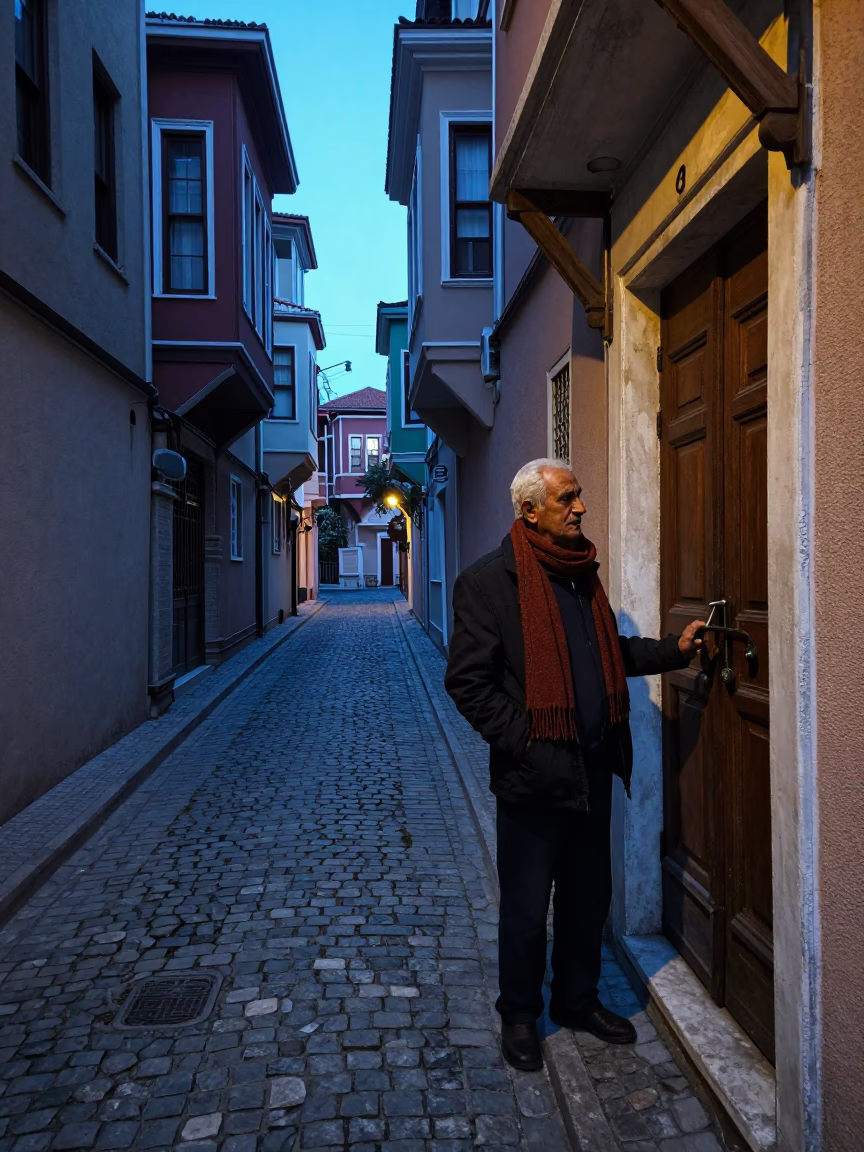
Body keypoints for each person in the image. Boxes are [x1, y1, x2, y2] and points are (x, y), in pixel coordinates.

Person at [444, 459, 705, 1072]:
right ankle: (519, 1014)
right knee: (526, 907)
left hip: (592, 770)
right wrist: (529, 742)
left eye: (579, 496)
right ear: (530, 510)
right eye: (568, 498)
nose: (580, 507)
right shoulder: (488, 583)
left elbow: (610, 653)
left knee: (589, 899)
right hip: (532, 780)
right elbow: (468, 683)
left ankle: (576, 999)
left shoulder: (580, 573)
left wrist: (673, 651)